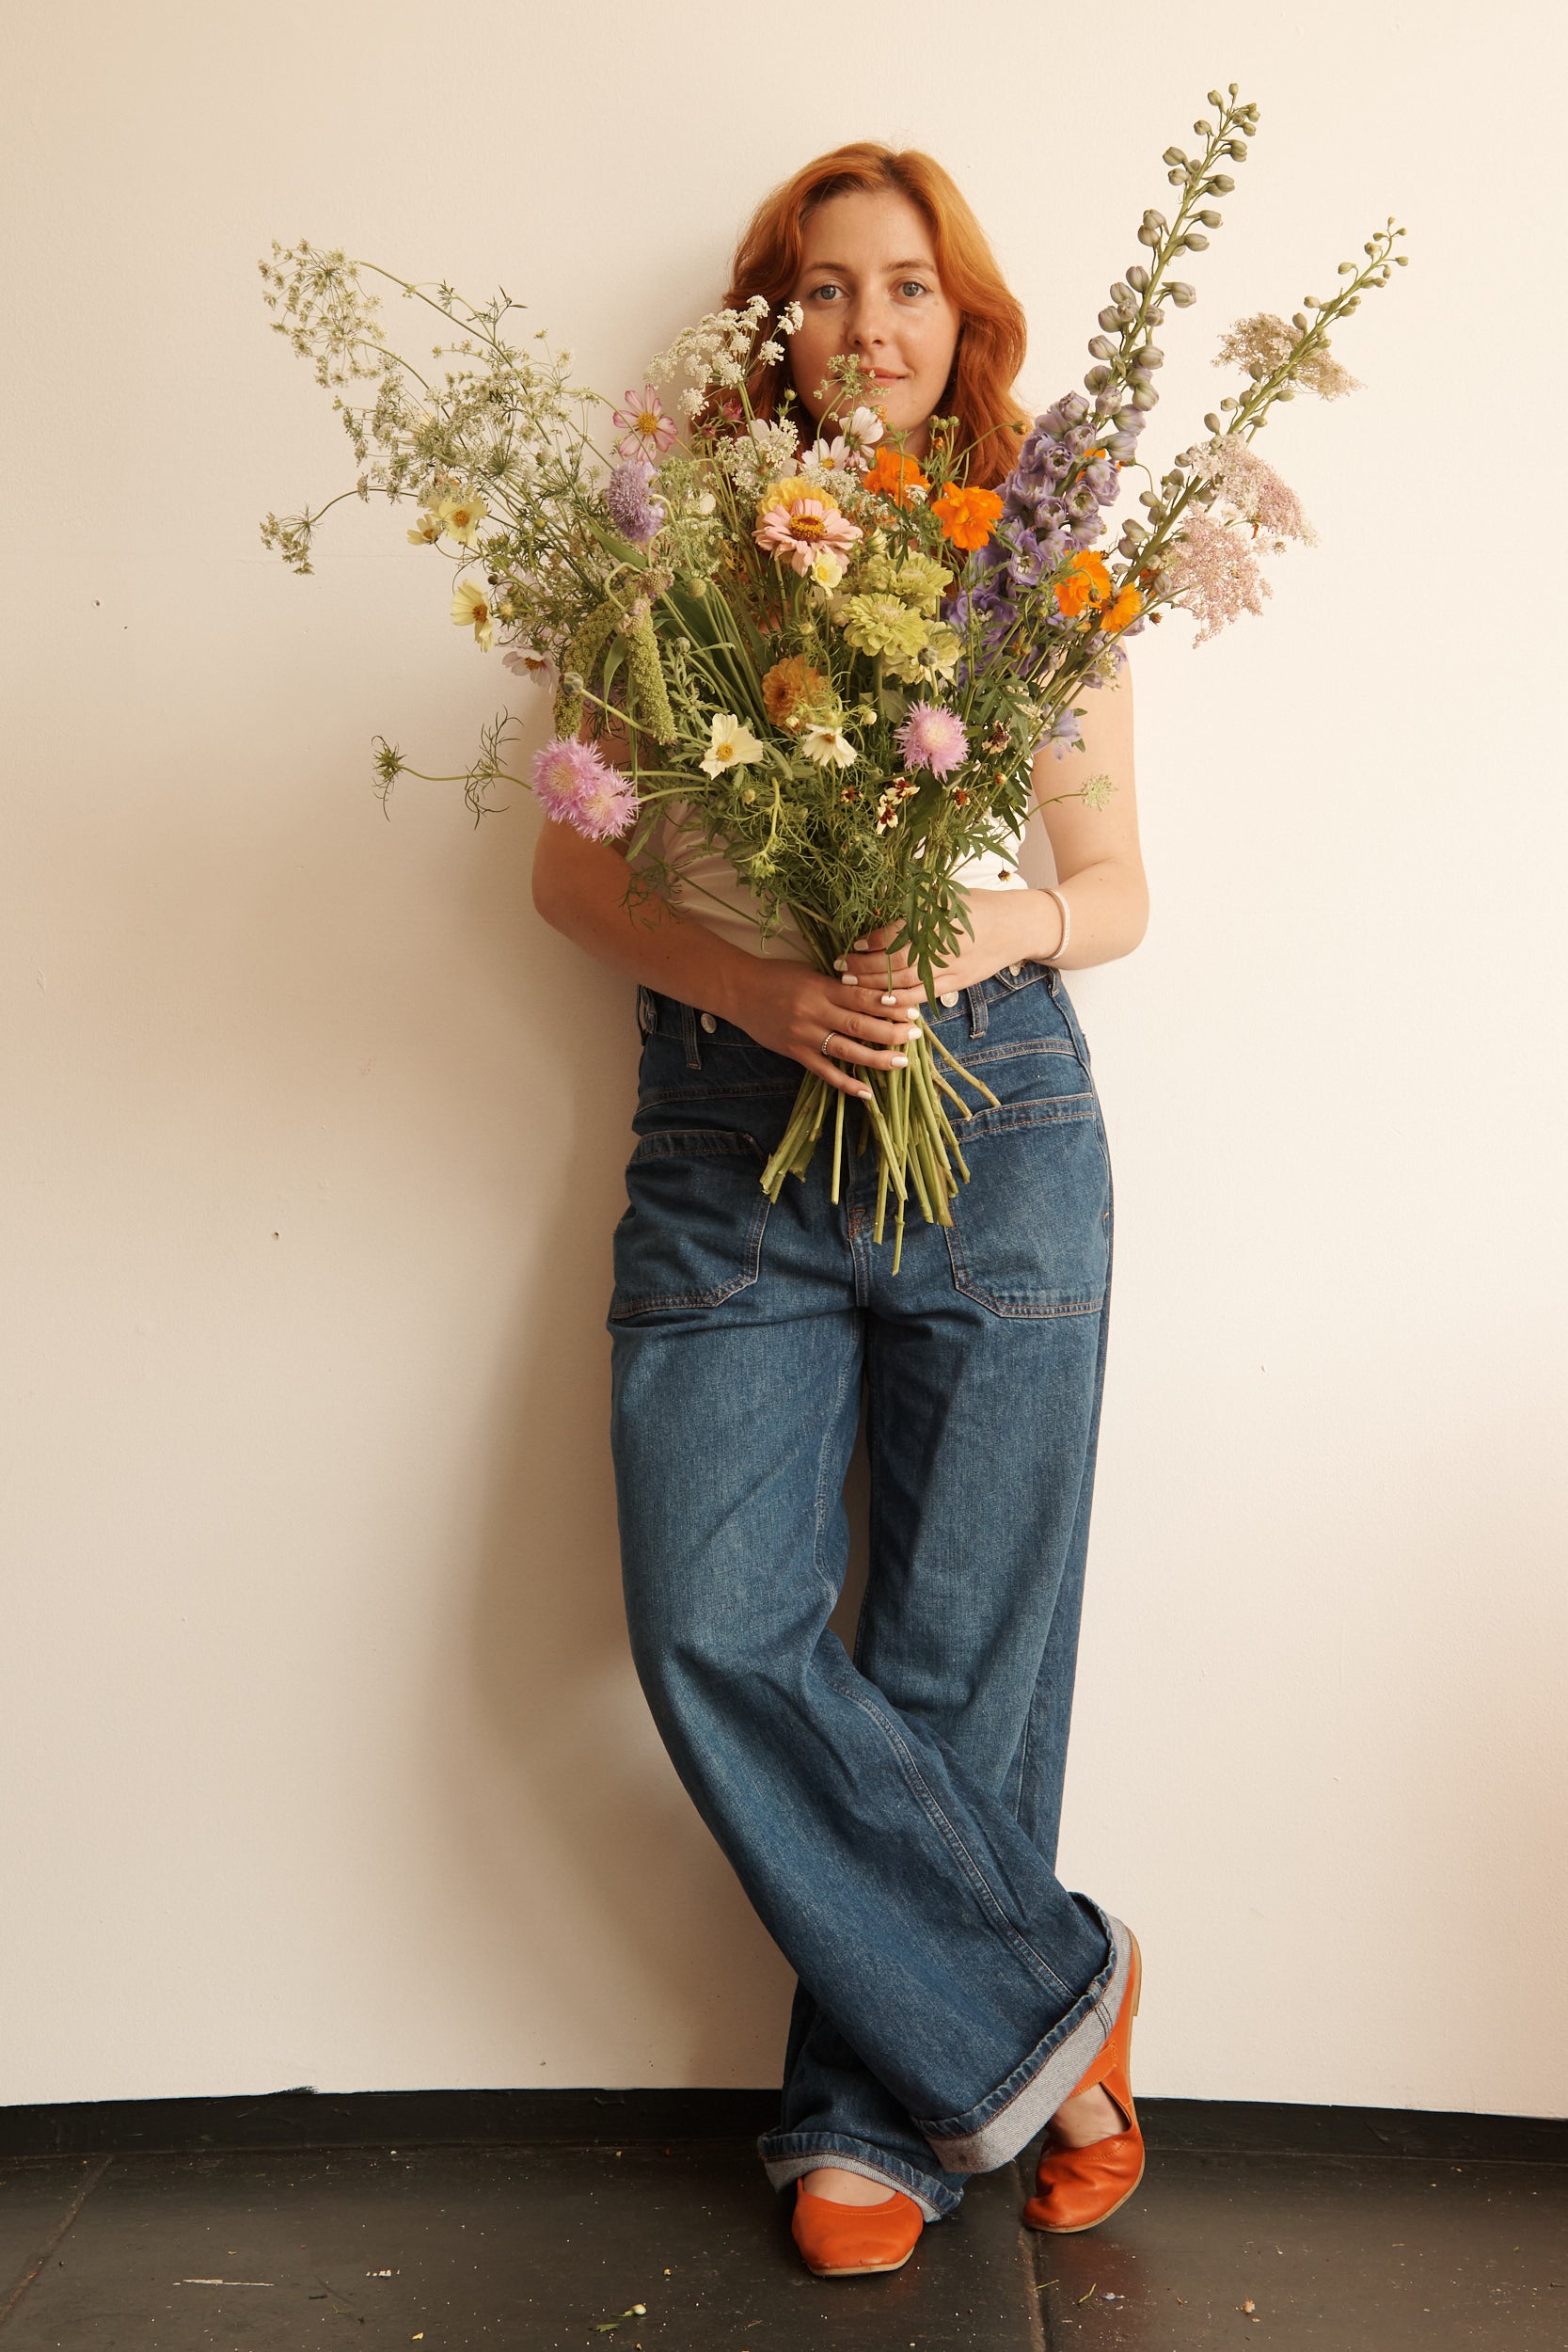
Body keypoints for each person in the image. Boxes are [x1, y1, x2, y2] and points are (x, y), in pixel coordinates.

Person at [532, 143, 1150, 2280]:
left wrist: (999, 921)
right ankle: (1058, 2022)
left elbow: (1121, 885)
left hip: (998, 1113)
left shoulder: (1037, 565)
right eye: (821, 291)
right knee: (711, 1621)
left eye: (903, 287)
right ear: (772, 322)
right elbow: (568, 870)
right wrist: (771, 989)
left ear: (959, 324)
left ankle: (876, 2120)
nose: (862, 326)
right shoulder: (672, 554)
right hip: (727, 1127)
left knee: (965, 1654)